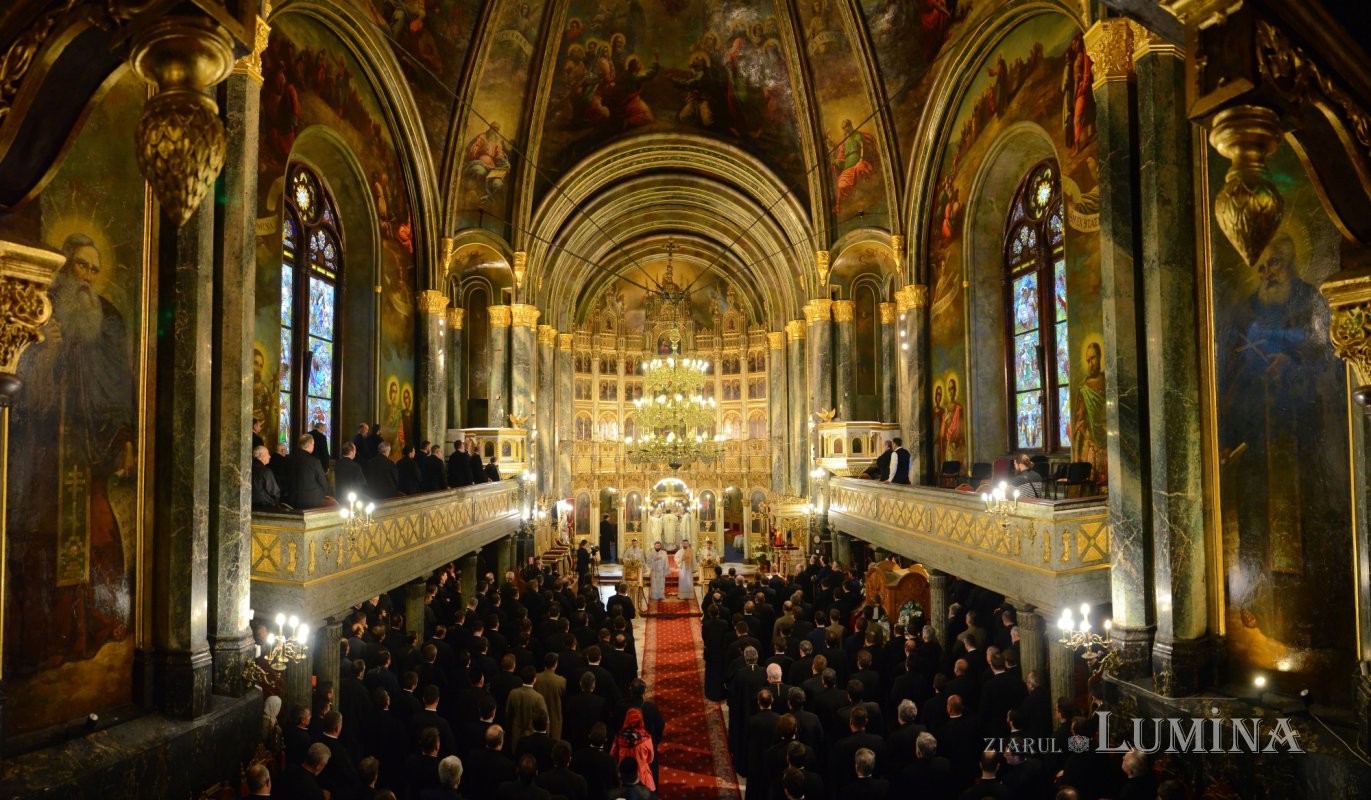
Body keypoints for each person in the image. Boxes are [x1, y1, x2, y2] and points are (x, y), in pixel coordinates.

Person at [610, 708, 656, 792]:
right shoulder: (646, 738)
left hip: (624, 776)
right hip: (642, 776)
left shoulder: (619, 737)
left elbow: (612, 756)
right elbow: (650, 759)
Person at [287, 434, 333, 509]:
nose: (313, 446)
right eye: (313, 444)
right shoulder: (314, 461)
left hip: (293, 499)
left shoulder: (290, 459)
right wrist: (330, 496)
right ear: (310, 444)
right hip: (313, 501)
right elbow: (322, 481)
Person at [251, 445, 284, 510]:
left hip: (250, 506)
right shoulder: (265, 471)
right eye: (268, 454)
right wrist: (276, 503)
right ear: (261, 456)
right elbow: (274, 491)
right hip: (265, 507)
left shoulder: (249, 468)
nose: (269, 456)